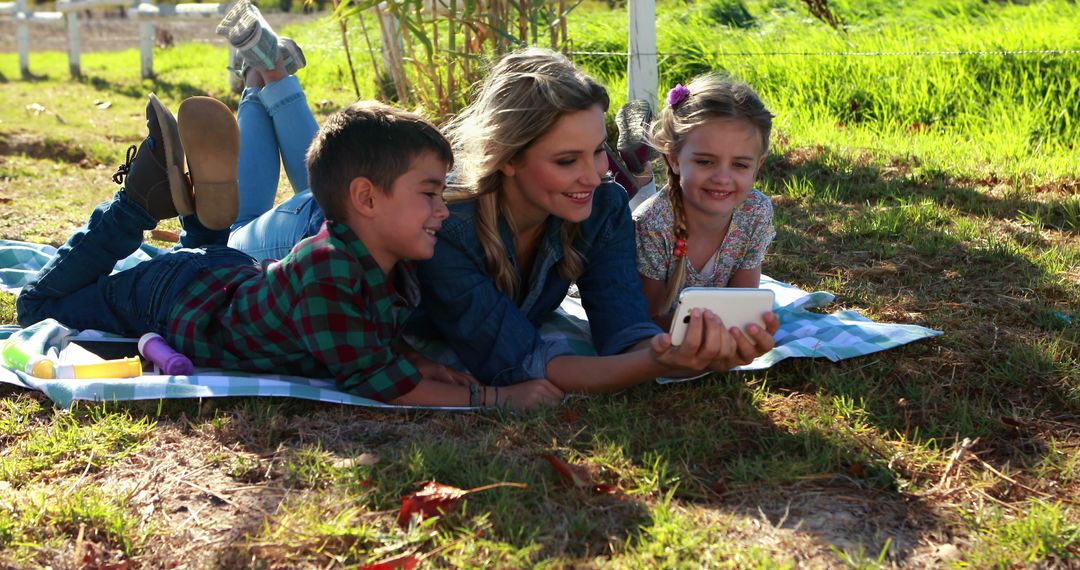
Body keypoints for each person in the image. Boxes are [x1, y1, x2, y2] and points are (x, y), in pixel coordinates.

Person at [15, 94, 562, 410]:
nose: (444, 210)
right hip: (174, 298)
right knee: (38, 308)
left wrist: (422, 363)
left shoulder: (383, 264)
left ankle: (205, 226)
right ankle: (137, 204)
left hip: (222, 280)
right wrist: (494, 399)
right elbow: (376, 379)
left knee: (202, 259)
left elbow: (378, 340)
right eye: (430, 194)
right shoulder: (326, 270)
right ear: (366, 198)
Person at [407, 48, 780, 392]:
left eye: (599, 150)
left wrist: (685, 350)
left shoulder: (603, 207)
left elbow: (626, 329)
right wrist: (658, 360)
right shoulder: (446, 228)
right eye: (567, 160)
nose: (594, 176)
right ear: (508, 158)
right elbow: (519, 362)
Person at [633, 77, 778, 330]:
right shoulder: (653, 223)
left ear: (758, 165)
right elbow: (650, 319)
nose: (722, 178)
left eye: (740, 165)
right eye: (705, 162)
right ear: (675, 159)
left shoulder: (755, 212)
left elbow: (742, 306)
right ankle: (637, 172)